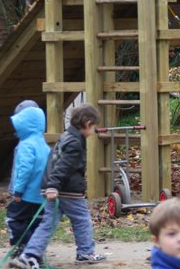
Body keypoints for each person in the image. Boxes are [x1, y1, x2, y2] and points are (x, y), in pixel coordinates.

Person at [10, 104, 106, 268]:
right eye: (94, 126)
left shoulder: (66, 135)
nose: (94, 131)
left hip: (54, 188)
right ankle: (85, 253)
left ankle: (30, 255)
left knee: (48, 223)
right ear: (89, 124)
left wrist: (50, 186)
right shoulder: (75, 143)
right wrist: (54, 186)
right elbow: (63, 166)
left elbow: (54, 162)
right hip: (67, 190)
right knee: (82, 220)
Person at [6, 104, 50, 257]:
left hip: (26, 195)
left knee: (13, 219)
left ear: (24, 125)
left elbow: (24, 170)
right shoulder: (44, 144)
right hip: (41, 196)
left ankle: (25, 248)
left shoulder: (26, 145)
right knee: (35, 223)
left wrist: (18, 190)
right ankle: (36, 251)